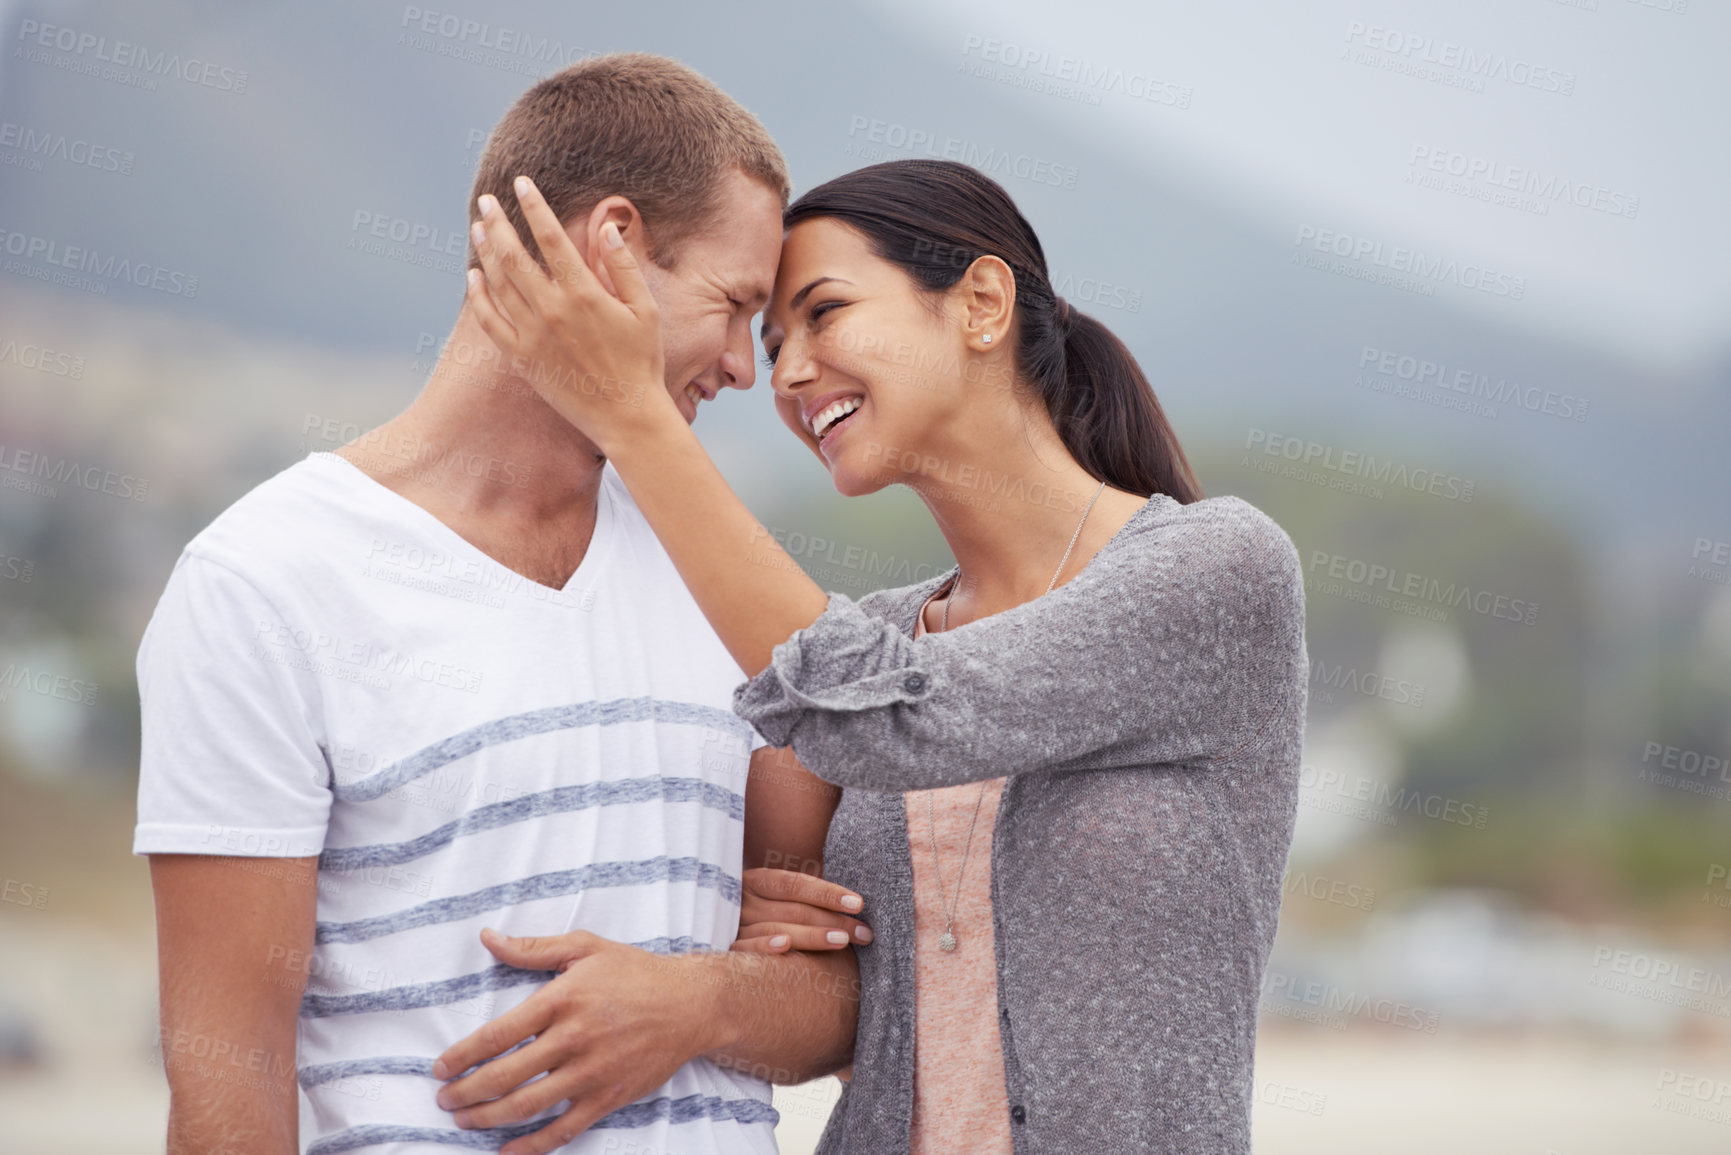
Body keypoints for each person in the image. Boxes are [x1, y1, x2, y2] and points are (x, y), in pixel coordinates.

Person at [460, 157, 1310, 1154]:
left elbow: (888, 722)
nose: (784, 374)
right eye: (773, 343)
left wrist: (633, 416)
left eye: (823, 313)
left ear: (982, 303)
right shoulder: (872, 643)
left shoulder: (1216, 571)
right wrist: (739, 940)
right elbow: (808, 1003)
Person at [134, 54, 862, 1155]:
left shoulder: (721, 575)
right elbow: (229, 1074)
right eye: (733, 308)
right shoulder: (265, 582)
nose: (742, 368)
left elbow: (841, 999)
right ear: (612, 247)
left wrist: (699, 1000)